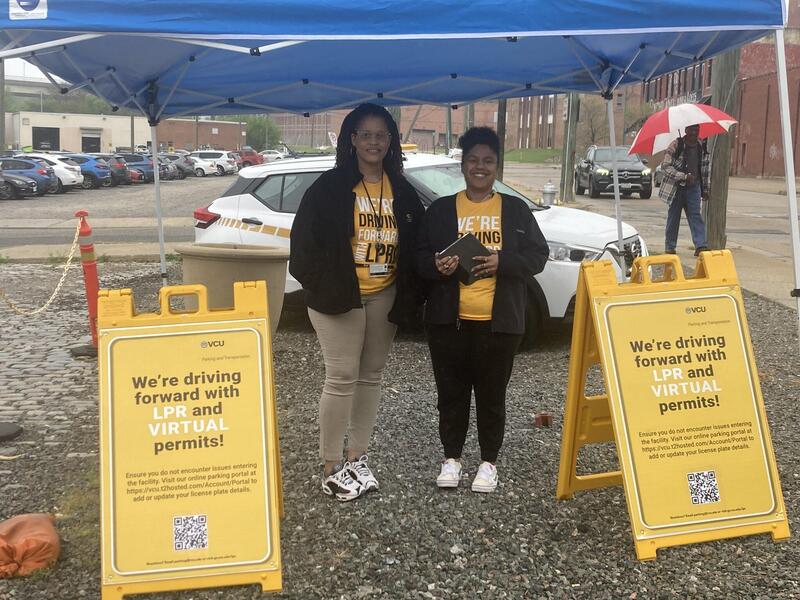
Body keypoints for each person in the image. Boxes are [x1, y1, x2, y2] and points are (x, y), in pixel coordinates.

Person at [289, 104, 424, 502]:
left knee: (371, 376)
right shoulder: (329, 187)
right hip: (339, 300)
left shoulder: (400, 188)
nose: (373, 142)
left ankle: (357, 455)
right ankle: (331, 464)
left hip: (385, 296)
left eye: (381, 135)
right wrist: (325, 286)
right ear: (352, 139)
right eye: (365, 134)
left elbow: (417, 243)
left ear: (390, 141)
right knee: (341, 377)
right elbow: (302, 249)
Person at [415, 127, 549, 493]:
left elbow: (538, 256)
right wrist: (436, 265)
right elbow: (419, 257)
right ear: (463, 164)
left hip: (500, 323)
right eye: (473, 159)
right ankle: (452, 459)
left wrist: (500, 262)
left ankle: (489, 462)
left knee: (492, 396)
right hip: (448, 323)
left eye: (488, 161)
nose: (480, 167)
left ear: (497, 165)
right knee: (451, 394)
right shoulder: (443, 209)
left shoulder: (515, 210)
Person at [659, 124, 711, 256]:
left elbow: (704, 170)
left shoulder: (701, 146)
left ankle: (701, 246)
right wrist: (683, 176)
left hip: (694, 187)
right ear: (686, 131)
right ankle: (670, 247)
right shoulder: (676, 145)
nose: (694, 133)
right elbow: (665, 166)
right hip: (677, 188)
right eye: (692, 130)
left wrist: (705, 188)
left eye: (697, 130)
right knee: (674, 217)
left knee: (695, 216)